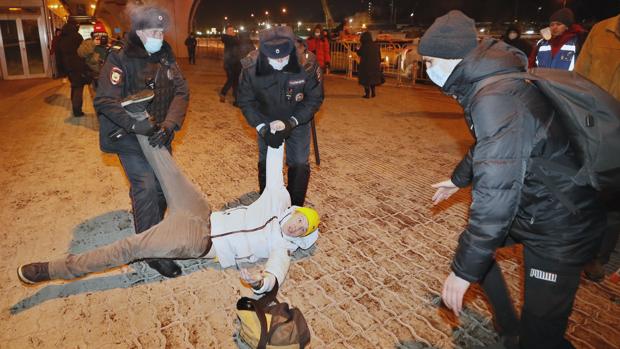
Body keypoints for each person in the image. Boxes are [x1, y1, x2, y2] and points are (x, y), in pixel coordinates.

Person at [419, 10, 605, 349]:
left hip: (562, 221)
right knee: (474, 251)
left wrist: (462, 274)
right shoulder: (493, 83)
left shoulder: (494, 98)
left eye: (429, 61)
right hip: (536, 203)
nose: (427, 69)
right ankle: (508, 329)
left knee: (541, 337)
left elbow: (496, 194)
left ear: (450, 57)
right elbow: (490, 148)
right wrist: (457, 180)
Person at [17, 92, 320, 294]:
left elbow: (277, 272)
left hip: (196, 240)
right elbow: (275, 168)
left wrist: (262, 283)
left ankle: (54, 268)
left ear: (298, 237)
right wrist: (277, 138)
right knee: (168, 168)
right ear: (296, 212)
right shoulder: (278, 202)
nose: (296, 226)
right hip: (202, 211)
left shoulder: (281, 246)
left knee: (130, 247)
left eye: (300, 230)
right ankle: (137, 116)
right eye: (300, 220)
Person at [92, 4, 190, 278]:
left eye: (161, 30)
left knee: (162, 188)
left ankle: (150, 223)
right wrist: (136, 124)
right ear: (138, 31)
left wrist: (170, 125)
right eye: (153, 31)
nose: (159, 36)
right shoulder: (119, 58)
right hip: (128, 135)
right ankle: (150, 250)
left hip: (158, 133)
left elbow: (182, 91)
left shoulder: (166, 56)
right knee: (146, 185)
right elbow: (105, 100)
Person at [237, 26, 324, 207]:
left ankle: (294, 207)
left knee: (299, 162)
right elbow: (245, 101)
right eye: (274, 59)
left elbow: (314, 98)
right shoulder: (251, 67)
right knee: (266, 162)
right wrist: (261, 127)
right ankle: (266, 205)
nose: (280, 62)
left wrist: (292, 123)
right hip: (265, 118)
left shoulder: (307, 64)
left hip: (298, 119)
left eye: (284, 57)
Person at [575, 14, 620, 281]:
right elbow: (580, 75)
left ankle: (599, 258)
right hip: (597, 125)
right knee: (590, 190)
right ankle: (583, 250)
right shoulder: (602, 30)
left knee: (615, 198)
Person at [56, 21, 88, 116]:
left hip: (67, 66)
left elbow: (58, 56)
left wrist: (61, 71)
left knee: (74, 85)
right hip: (78, 65)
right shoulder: (77, 37)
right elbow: (83, 52)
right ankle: (77, 111)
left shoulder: (61, 38)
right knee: (78, 87)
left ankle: (74, 104)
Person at [356, 32, 383, 98]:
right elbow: (379, 56)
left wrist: (357, 49)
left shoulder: (364, 46)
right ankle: (373, 93)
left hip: (366, 65)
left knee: (366, 80)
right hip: (375, 65)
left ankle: (367, 94)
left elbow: (360, 53)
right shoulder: (376, 45)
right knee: (373, 79)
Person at [219, 24, 241, 103]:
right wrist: (235, 36)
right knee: (231, 79)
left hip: (237, 62)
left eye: (232, 30)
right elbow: (234, 42)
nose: (232, 32)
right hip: (228, 63)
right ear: (226, 31)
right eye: (229, 30)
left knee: (236, 80)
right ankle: (223, 93)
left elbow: (239, 44)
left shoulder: (235, 38)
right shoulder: (225, 37)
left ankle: (236, 97)